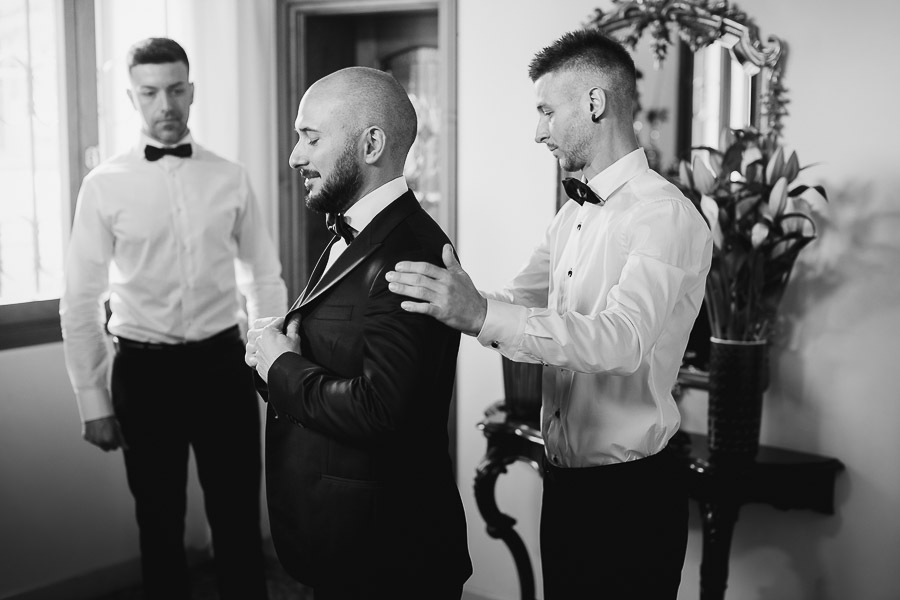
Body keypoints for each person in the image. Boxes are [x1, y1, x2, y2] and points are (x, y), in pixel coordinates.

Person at [386, 29, 713, 599]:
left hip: (630, 496)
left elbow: (622, 341)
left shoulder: (665, 215)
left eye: (545, 110)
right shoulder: (570, 216)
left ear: (594, 103)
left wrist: (480, 314)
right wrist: (441, 299)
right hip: (564, 483)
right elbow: (516, 299)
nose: (537, 131)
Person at [59, 37, 286, 600]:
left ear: (192, 91)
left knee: (238, 519)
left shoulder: (231, 177)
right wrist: (92, 401)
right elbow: (81, 297)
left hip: (223, 368)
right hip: (144, 374)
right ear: (131, 98)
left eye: (176, 90)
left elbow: (263, 277)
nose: (166, 105)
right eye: (150, 92)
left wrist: (271, 365)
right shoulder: (103, 185)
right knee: (158, 524)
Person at [244, 66, 472, 600]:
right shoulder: (353, 231)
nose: (295, 156)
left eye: (311, 138)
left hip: (390, 553)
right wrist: (275, 351)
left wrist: (282, 365)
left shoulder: (410, 253)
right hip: (349, 540)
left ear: (371, 144)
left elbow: (382, 410)